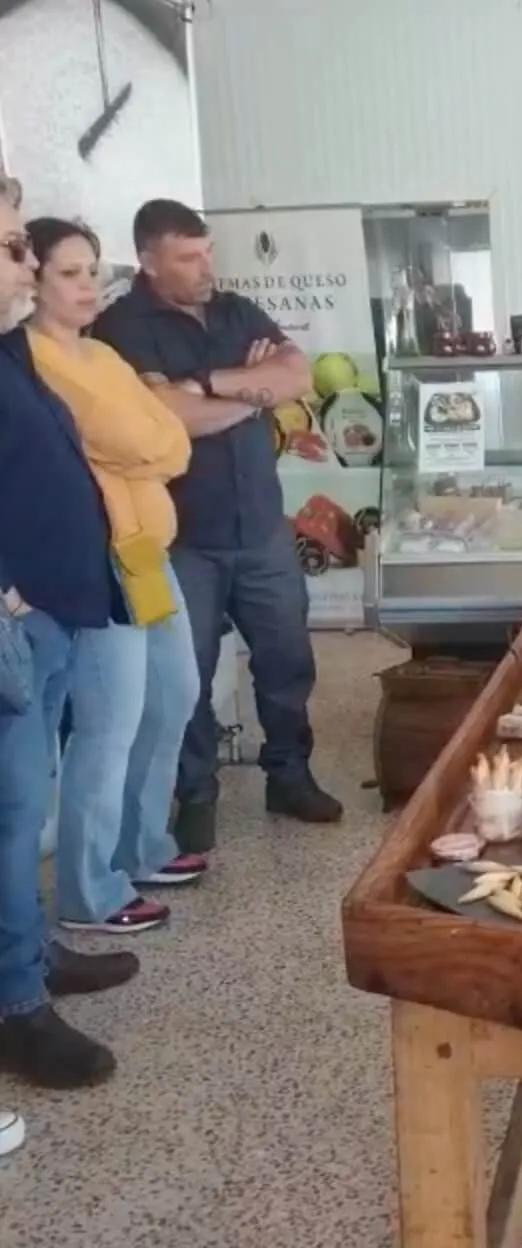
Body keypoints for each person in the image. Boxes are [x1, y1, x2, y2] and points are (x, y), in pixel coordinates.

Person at [94, 200, 342, 853]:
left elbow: (296, 374)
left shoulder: (236, 311)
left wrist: (205, 384)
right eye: (188, 257)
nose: (207, 267)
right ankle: (196, 794)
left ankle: (289, 776)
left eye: (208, 252)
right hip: (183, 536)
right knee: (188, 676)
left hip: (260, 524)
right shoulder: (121, 328)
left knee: (287, 659)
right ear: (148, 261)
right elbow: (164, 418)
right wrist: (251, 393)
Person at [26, 216, 204, 934]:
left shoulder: (101, 354)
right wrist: (146, 444)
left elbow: (169, 441)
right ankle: (89, 890)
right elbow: (137, 434)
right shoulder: (34, 361)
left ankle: (140, 845)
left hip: (147, 552)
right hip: (100, 560)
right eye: (68, 273)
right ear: (31, 277)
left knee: (175, 695)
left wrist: (145, 445)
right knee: (110, 723)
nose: (87, 285)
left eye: (93, 270)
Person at [0, 193, 139, 1093]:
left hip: (51, 611)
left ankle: (31, 955)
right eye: (13, 247)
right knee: (11, 817)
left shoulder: (11, 354)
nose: (25, 263)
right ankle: (16, 1006)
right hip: (17, 620)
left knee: (24, 811)